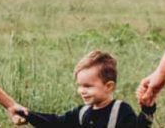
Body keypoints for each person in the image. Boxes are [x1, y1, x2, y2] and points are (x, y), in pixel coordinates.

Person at [18, 51, 155, 128]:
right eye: (80, 85)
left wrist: (147, 110)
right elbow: (55, 122)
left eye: (88, 86)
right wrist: (27, 114)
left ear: (109, 86)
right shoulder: (81, 113)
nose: (81, 91)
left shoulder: (121, 111)